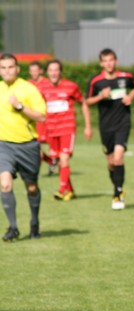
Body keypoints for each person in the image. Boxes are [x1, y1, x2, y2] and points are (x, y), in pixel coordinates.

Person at [0, 53, 47, 241]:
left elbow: (41, 117)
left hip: (28, 146)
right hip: (4, 145)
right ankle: (13, 227)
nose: (7, 71)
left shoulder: (29, 89)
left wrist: (20, 106)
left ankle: (34, 222)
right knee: (5, 184)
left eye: (10, 67)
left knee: (32, 188)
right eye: (3, 68)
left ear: (17, 69)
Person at [85, 48, 134, 210]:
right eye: (105, 61)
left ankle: (118, 193)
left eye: (111, 60)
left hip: (123, 122)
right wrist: (101, 96)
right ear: (101, 63)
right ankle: (117, 186)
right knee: (110, 162)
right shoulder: (96, 81)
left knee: (118, 157)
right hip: (106, 126)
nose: (108, 64)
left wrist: (130, 97)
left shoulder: (126, 77)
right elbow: (87, 101)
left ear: (116, 61)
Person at [40, 59, 92, 201]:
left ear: (60, 72)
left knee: (64, 159)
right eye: (51, 70)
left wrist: (88, 126)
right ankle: (71, 190)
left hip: (67, 129)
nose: (53, 73)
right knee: (58, 161)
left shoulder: (71, 86)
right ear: (47, 72)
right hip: (51, 129)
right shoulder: (43, 88)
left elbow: (83, 103)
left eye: (56, 70)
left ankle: (61, 191)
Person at [28, 61, 57, 174]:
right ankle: (50, 161)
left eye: (36, 71)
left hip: (46, 119)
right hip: (33, 120)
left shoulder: (47, 83)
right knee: (35, 147)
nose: (34, 73)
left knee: (51, 145)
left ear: (40, 71)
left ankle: (53, 160)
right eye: (31, 71)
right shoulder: (28, 84)